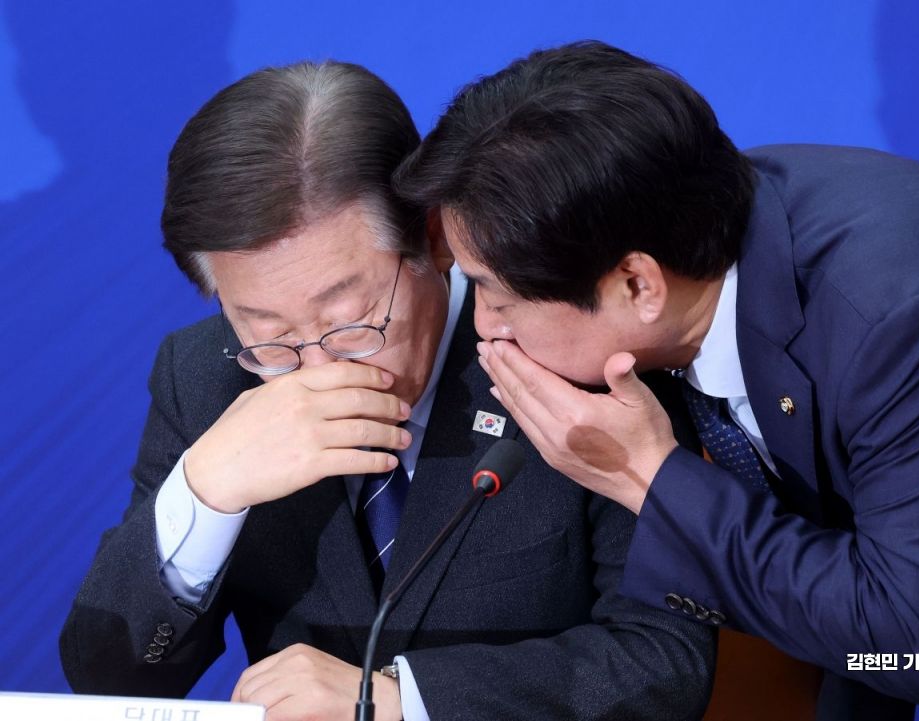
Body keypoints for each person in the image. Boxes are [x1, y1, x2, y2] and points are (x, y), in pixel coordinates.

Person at [59, 60, 715, 721]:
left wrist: (405, 699)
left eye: (351, 322)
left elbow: (665, 661)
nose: (317, 371)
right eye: (269, 332)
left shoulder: (568, 343)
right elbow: (109, 679)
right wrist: (206, 492)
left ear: (433, 238)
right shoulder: (206, 376)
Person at [393, 41, 919, 720]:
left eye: (495, 294)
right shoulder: (690, 244)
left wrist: (648, 475)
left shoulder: (903, 326)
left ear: (638, 285)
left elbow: (911, 648)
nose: (484, 327)